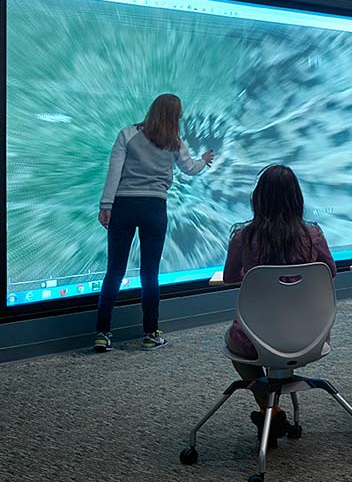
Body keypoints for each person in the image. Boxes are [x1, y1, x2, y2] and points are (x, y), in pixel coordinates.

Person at [223, 164, 337, 445]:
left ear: (258, 198)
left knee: (235, 342)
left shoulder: (243, 237)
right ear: (297, 198)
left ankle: (270, 410)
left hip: (256, 338)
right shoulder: (314, 236)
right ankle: (273, 413)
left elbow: (229, 278)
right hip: (310, 336)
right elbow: (329, 272)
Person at [94, 93, 213, 353]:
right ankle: (150, 334)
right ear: (175, 116)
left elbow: (114, 171)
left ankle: (102, 333)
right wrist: (204, 160)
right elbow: (190, 169)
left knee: (114, 271)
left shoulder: (127, 134)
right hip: (154, 209)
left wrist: (106, 205)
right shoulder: (175, 143)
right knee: (150, 274)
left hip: (124, 206)